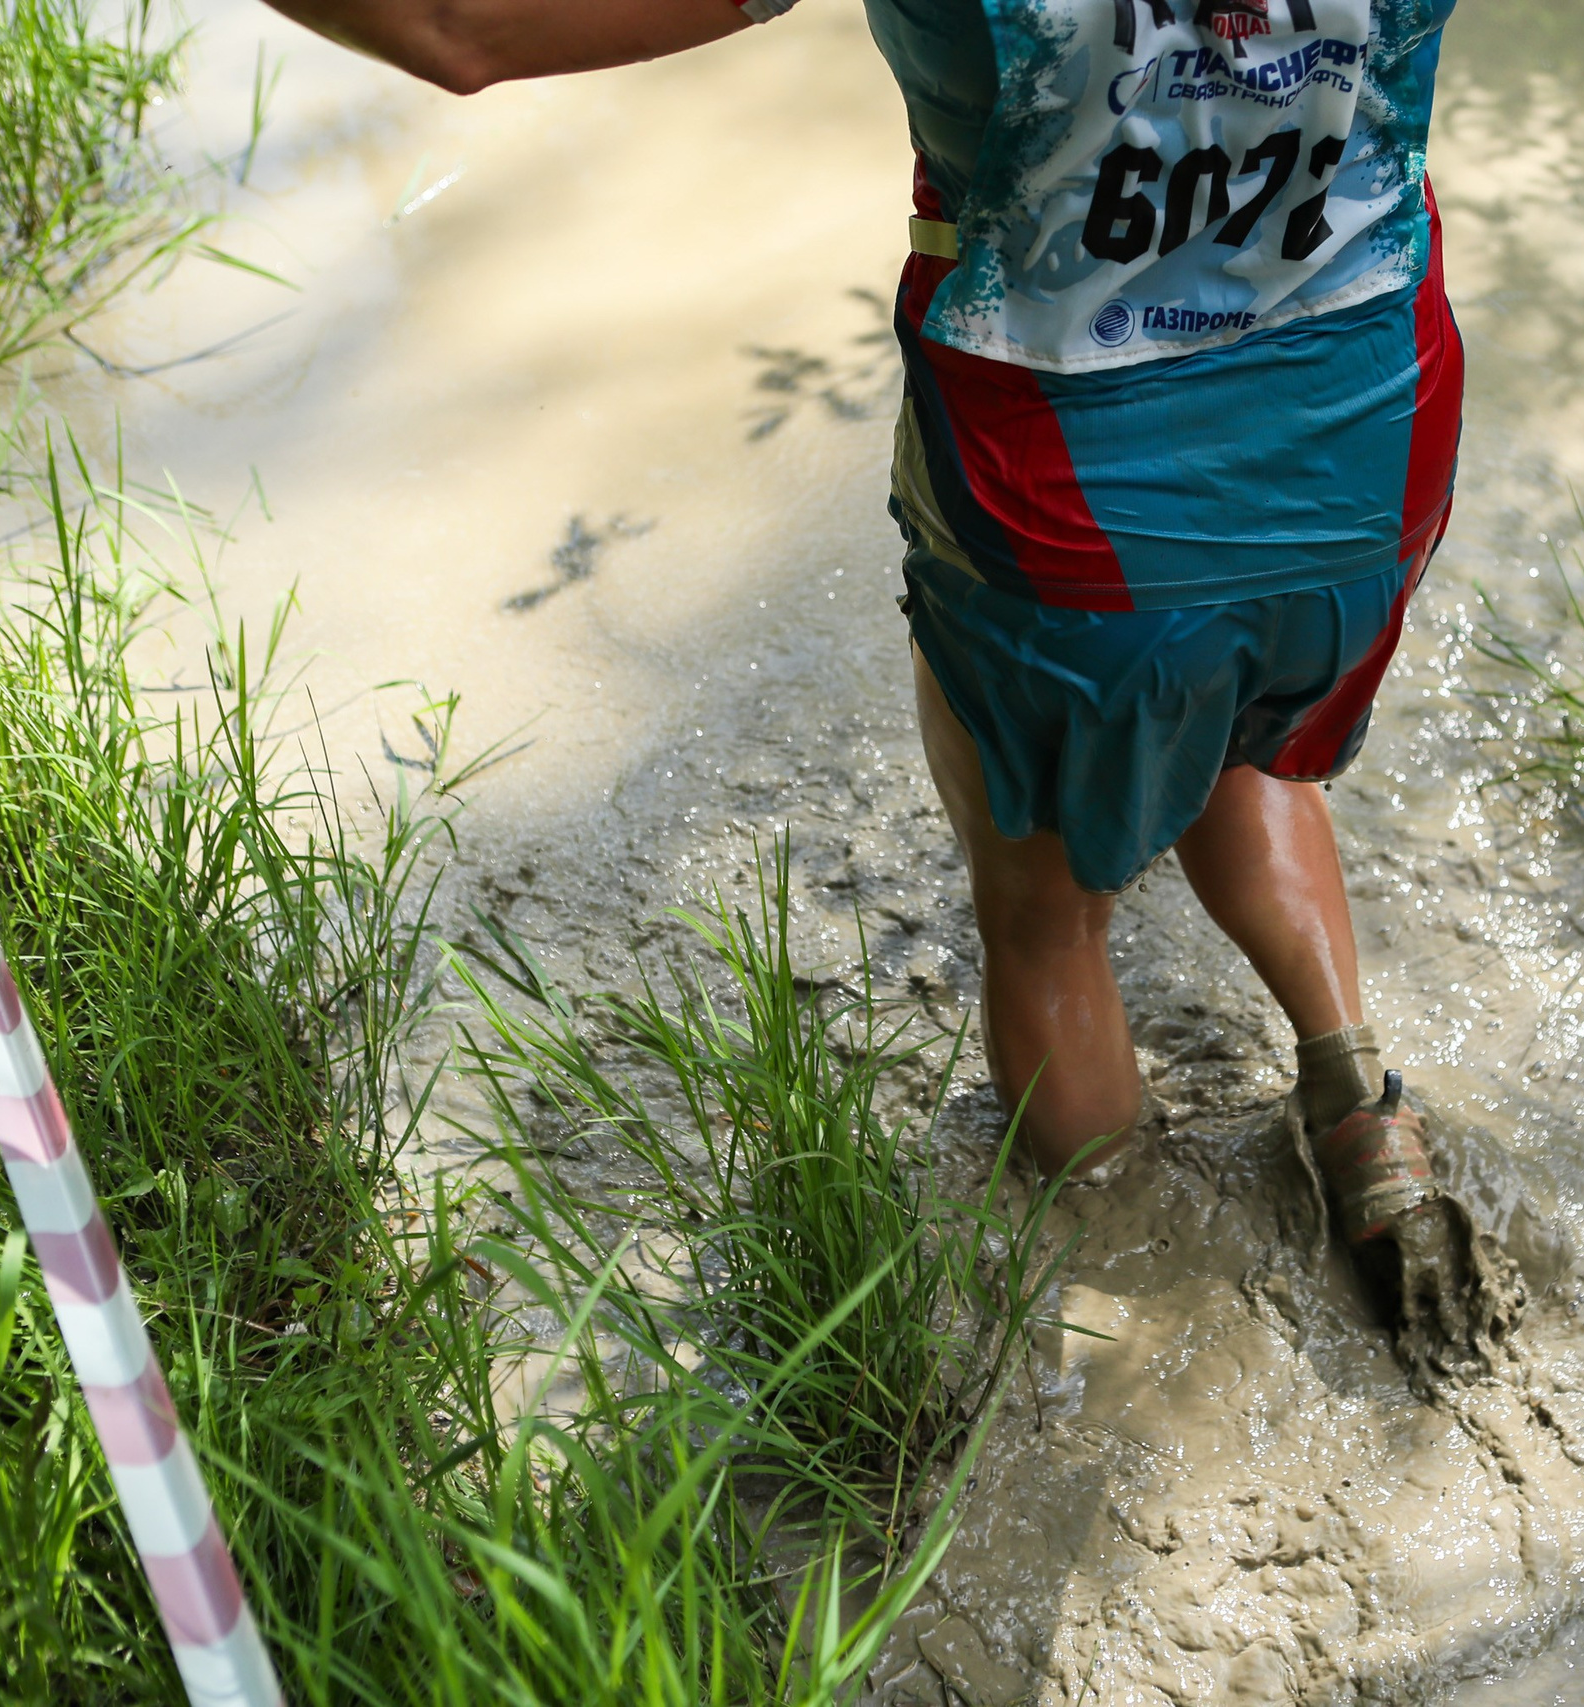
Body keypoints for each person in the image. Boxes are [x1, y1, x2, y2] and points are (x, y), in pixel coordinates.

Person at [259, 0, 1519, 1376]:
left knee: (1046, 926)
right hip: (1364, 443)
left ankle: (1127, 1274)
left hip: (1077, 504)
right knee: (1249, 741)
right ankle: (1356, 1104)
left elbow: (459, 26)